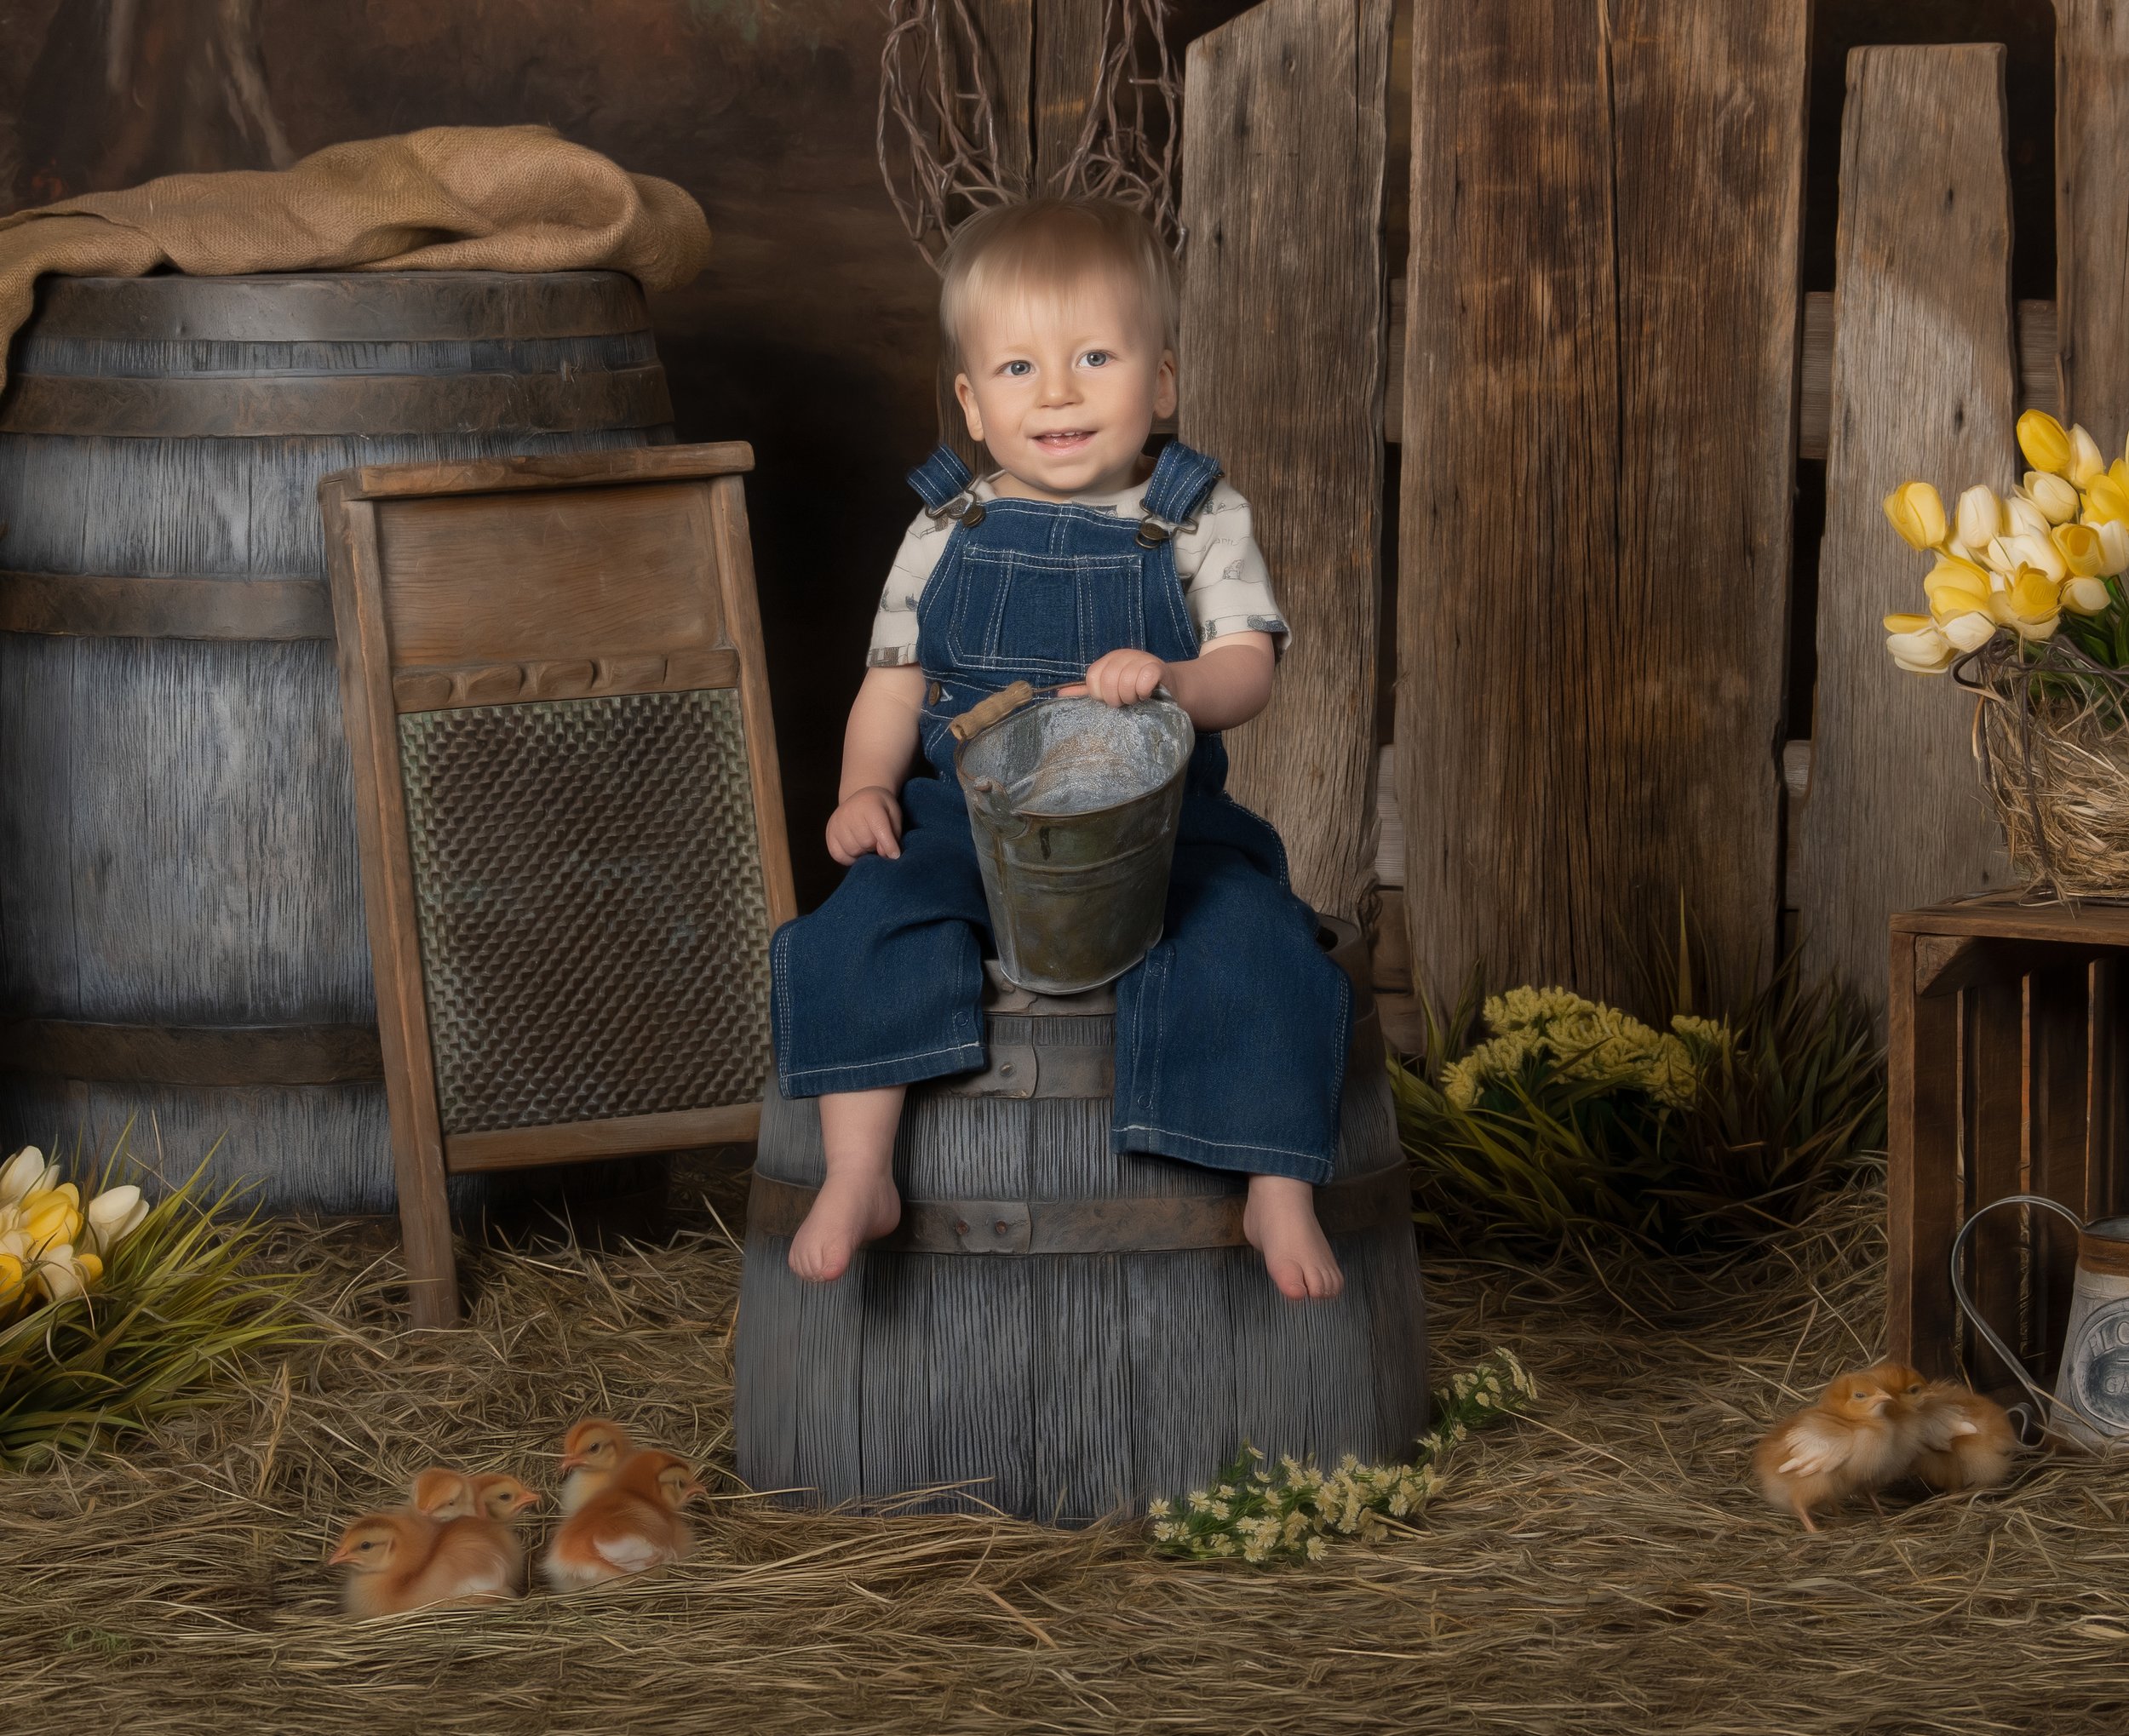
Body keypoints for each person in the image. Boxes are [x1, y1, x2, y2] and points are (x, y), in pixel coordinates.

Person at [769, 196, 1351, 1300]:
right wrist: (863, 788)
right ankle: (859, 1172)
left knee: (1260, 941)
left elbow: (1249, 665)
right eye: (1020, 369)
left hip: (1163, 834)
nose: (1061, 393)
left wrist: (1177, 680)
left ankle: (1277, 1182)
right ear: (973, 405)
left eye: (1094, 356)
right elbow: (893, 685)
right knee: (861, 926)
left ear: (1163, 380)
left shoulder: (1194, 517)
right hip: (971, 829)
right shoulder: (943, 531)